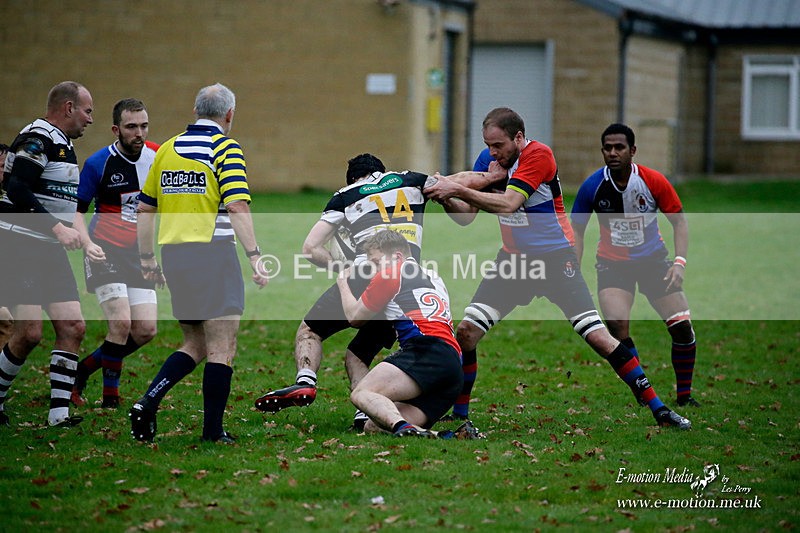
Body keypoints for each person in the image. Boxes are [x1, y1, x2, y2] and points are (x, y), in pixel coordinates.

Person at [424, 107, 691, 429]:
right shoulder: (490, 160)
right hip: (513, 262)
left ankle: (660, 410)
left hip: (555, 261)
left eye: (499, 146)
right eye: (489, 145)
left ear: (519, 138)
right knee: (466, 334)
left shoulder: (539, 155)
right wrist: (444, 197)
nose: (492, 153)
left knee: (600, 338)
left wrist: (457, 187)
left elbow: (509, 202)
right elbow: (465, 216)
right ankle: (461, 418)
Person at [254, 154, 504, 429]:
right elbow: (455, 182)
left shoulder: (344, 196)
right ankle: (365, 417)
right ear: (382, 171)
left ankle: (305, 382)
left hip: (364, 275)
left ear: (352, 179)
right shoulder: (410, 180)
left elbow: (310, 248)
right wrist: (493, 176)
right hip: (407, 287)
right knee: (358, 354)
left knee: (309, 330)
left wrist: (344, 269)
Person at [129, 83, 269, 443]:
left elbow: (145, 210)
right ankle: (212, 432)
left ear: (195, 111)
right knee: (222, 346)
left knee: (195, 342)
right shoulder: (225, 147)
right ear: (229, 115)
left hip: (174, 254)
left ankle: (148, 401)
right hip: (212, 252)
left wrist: (147, 259)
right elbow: (237, 205)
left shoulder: (167, 149)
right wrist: (254, 256)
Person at [571, 123, 699, 407]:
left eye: (620, 147)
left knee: (681, 327)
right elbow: (576, 230)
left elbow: (679, 222)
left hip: (654, 262)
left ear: (633, 151)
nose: (613, 153)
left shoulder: (653, 181)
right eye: (608, 148)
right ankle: (645, 393)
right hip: (612, 266)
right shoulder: (592, 185)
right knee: (617, 327)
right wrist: (574, 270)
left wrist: (679, 263)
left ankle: (685, 396)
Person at [0, 81, 94, 427]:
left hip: (47, 249)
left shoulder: (63, 143)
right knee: (28, 334)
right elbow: (17, 187)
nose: (90, 119)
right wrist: (56, 227)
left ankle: (59, 415)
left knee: (73, 326)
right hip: (20, 244)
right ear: (68, 108)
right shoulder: (38, 138)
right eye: (87, 110)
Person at [70, 98, 159, 409]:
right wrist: (87, 243)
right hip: (103, 249)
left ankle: (81, 371)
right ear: (116, 129)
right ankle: (111, 400)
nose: (139, 132)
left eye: (144, 126)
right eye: (131, 126)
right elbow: (77, 212)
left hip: (139, 254)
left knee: (145, 330)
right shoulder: (98, 163)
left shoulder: (157, 157)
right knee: (120, 323)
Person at [337, 230, 462, 437]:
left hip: (427, 350)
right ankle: (446, 435)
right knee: (374, 426)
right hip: (452, 367)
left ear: (397, 256)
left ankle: (402, 429)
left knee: (363, 393)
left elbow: (354, 317)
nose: (374, 270)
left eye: (377, 262)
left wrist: (343, 283)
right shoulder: (433, 276)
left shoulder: (390, 273)